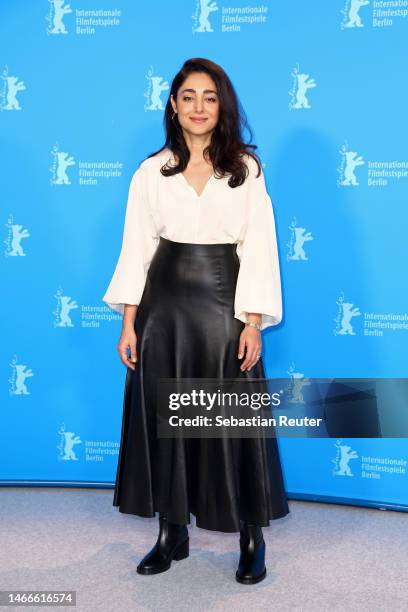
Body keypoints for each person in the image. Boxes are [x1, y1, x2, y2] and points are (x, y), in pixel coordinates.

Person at [102, 57, 289, 585]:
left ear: (221, 104)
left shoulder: (246, 169)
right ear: (173, 105)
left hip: (225, 303)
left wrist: (252, 321)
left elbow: (259, 248)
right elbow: (136, 249)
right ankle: (171, 532)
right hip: (164, 309)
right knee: (165, 417)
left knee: (233, 418)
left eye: (209, 97)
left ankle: (252, 536)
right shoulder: (150, 171)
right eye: (188, 96)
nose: (199, 107)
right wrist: (128, 323)